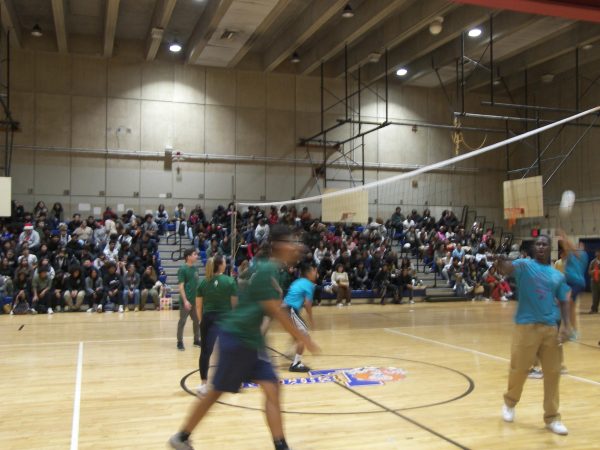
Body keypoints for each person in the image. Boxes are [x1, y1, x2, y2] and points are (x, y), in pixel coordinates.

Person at [168, 224, 320, 450]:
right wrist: (302, 337)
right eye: (292, 241)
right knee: (216, 391)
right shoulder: (267, 269)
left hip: (252, 341)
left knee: (272, 388)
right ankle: (181, 436)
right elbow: (275, 310)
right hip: (238, 338)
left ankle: (281, 445)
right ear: (279, 245)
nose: (297, 247)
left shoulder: (266, 267)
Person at [495, 235, 571, 435]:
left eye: (544, 244)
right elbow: (506, 269)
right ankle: (510, 403)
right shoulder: (524, 265)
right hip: (526, 326)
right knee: (519, 369)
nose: (540, 246)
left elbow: (564, 301)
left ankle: (552, 417)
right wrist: (500, 260)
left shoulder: (557, 276)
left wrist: (566, 326)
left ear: (549, 249)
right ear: (533, 248)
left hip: (550, 328)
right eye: (537, 244)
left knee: (553, 374)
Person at [195, 254, 237, 396]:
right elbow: (234, 305)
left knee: (205, 352)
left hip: (208, 319)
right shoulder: (230, 281)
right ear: (220, 265)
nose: (226, 263)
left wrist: (202, 321)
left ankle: (203, 384)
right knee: (229, 350)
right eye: (225, 261)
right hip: (225, 319)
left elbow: (199, 306)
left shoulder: (203, 283)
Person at [282, 262, 316, 372]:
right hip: (290, 309)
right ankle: (296, 364)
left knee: (298, 334)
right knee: (304, 336)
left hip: (284, 309)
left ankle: (290, 352)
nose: (315, 273)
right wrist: (311, 319)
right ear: (309, 273)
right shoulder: (309, 284)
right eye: (314, 271)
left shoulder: (297, 281)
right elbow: (307, 304)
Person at [557, 230, 588, 339]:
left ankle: (570, 330)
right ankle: (570, 330)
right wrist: (562, 240)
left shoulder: (583, 255)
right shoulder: (570, 255)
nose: (579, 245)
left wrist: (564, 235)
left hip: (577, 284)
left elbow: (571, 247)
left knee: (567, 300)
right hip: (567, 283)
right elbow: (566, 247)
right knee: (569, 307)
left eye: (581, 245)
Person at [177, 248, 200, 351]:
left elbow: (196, 285)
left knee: (197, 321)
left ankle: (196, 340)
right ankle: (179, 342)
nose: (197, 256)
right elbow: (181, 287)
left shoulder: (196, 269)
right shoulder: (182, 269)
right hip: (186, 302)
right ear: (188, 257)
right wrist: (185, 301)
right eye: (194, 254)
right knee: (182, 322)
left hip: (195, 301)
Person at [588, 249, 600, 314]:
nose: (597, 254)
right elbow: (589, 272)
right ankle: (594, 309)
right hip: (594, 281)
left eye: (599, 252)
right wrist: (593, 272)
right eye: (597, 252)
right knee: (595, 296)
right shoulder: (593, 262)